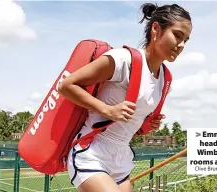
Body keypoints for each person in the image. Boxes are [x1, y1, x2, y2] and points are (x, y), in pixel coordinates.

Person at [58, 2, 192, 192]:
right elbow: (66, 85)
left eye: (186, 40)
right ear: (156, 29)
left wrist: (148, 124)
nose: (181, 45)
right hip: (92, 150)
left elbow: (131, 122)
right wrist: (107, 110)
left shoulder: (165, 78)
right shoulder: (123, 60)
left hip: (122, 158)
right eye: (177, 35)